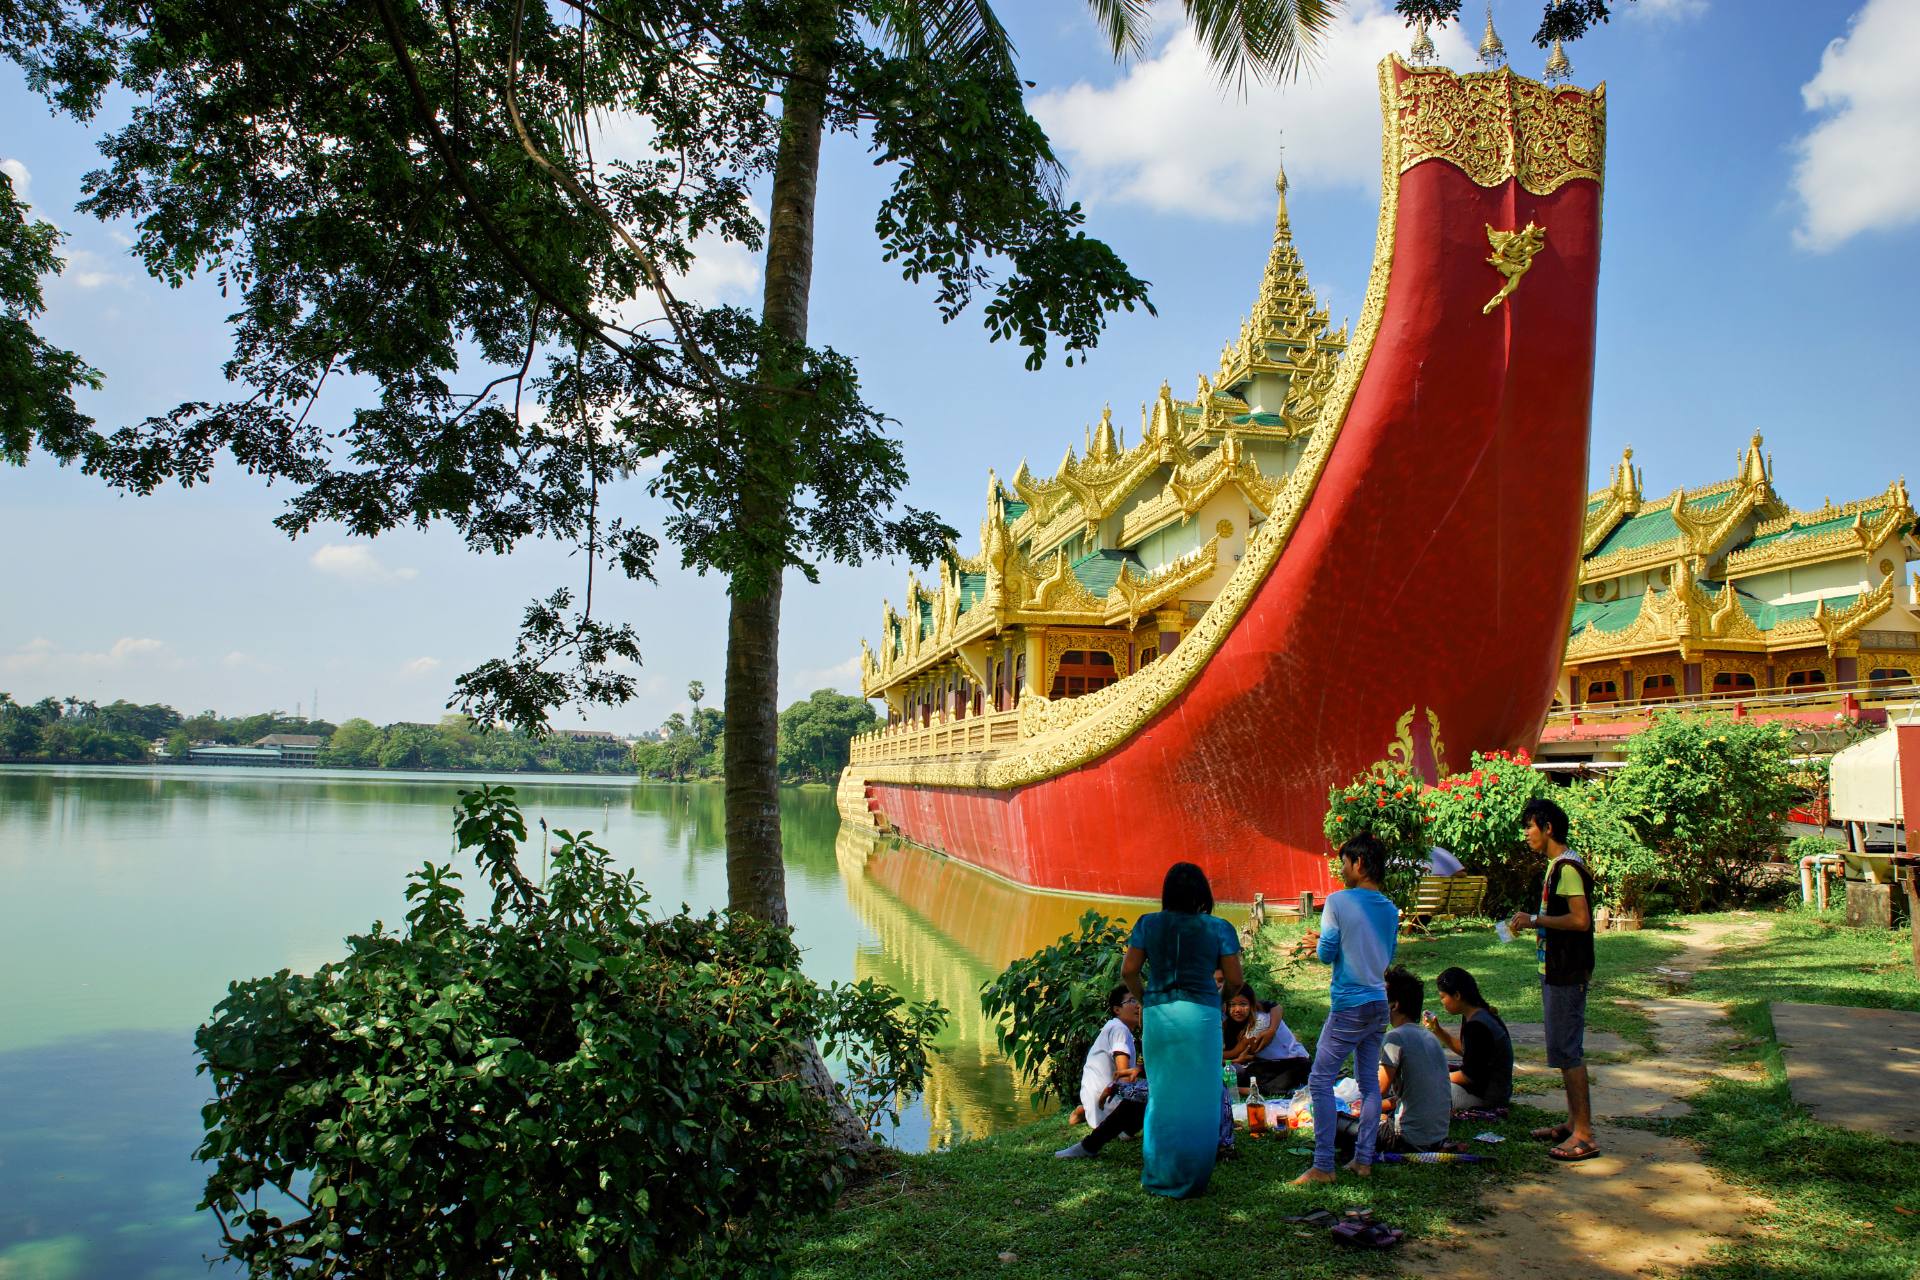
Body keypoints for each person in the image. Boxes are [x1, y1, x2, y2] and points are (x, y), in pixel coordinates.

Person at [1116, 861, 1243, 1198]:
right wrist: (1221, 1001)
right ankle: (1194, 1178)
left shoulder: (1148, 924)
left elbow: (1129, 971)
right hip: (1202, 1015)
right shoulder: (1219, 928)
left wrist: (1145, 999)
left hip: (1159, 1014)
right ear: (1202, 893)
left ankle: (1158, 1175)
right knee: (1201, 1097)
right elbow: (1235, 980)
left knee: (1161, 1092)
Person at [1294, 833, 1400, 1185]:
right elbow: (1386, 954)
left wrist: (1319, 945)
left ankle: (1324, 1165)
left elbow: (1327, 953)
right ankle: (1363, 1160)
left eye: (1344, 862)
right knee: (1370, 1083)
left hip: (1349, 1006)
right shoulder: (1389, 908)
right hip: (1378, 1003)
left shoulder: (1338, 901)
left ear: (1359, 863)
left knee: (1320, 1079)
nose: (1341, 870)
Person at [1509, 796, 1599, 1162]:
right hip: (1557, 969)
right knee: (1563, 1051)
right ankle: (1572, 1122)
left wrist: (1536, 920)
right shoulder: (1556, 867)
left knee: (1568, 1051)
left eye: (1530, 826)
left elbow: (1581, 921)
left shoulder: (1566, 868)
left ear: (1547, 828)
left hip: (1567, 972)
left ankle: (1584, 1135)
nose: (1526, 833)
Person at [1370, 966, 1451, 1154]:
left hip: (1407, 1138)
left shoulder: (1395, 1038)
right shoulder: (1429, 1036)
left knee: (1337, 1124)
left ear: (1394, 1005)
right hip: (1437, 1135)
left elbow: (1376, 1090)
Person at [1424, 966, 1513, 1110]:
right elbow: (1469, 1052)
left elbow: (1469, 1076)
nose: (1442, 1002)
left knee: (1426, 1092)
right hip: (1493, 1089)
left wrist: (1436, 1078)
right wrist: (1438, 1030)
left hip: (1489, 1096)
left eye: (1443, 997)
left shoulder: (1477, 1026)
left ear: (1457, 995)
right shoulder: (1476, 1015)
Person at [1222, 985, 1310, 1094]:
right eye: (1232, 1005)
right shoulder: (1230, 1020)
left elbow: (1235, 1052)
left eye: (1243, 1004)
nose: (1237, 1010)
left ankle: (1242, 1090)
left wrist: (1208, 1055)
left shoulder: (1260, 1021)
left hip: (1293, 1061)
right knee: (1247, 1073)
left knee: (1280, 1083)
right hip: (1268, 1063)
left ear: (1252, 1004)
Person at [1080, 986, 1143, 1129]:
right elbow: (1123, 1076)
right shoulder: (1120, 1029)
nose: (1138, 1006)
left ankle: (1085, 1111)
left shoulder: (1113, 1027)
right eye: (1132, 1001)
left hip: (1096, 1104)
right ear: (1117, 1009)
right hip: (1108, 1111)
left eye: (1139, 1000)